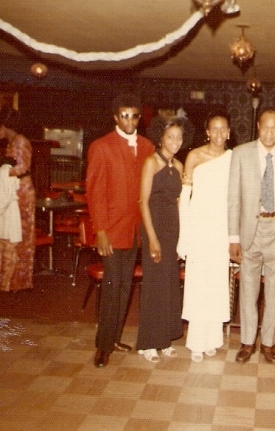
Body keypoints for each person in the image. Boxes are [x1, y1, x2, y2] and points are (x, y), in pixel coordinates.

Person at [228, 107, 275, 365]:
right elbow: (233, 199)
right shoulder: (240, 154)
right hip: (251, 230)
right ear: (258, 126)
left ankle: (268, 344)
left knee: (274, 291)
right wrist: (233, 238)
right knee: (248, 290)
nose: (270, 133)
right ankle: (248, 342)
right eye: (265, 127)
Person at [86, 92, 154, 368]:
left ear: (140, 117)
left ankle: (114, 337)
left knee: (125, 287)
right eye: (123, 115)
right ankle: (103, 345)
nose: (129, 121)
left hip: (136, 230)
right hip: (112, 230)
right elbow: (95, 192)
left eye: (133, 115)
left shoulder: (148, 146)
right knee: (112, 287)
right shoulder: (101, 146)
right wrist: (100, 229)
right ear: (115, 117)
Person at [178, 112, 232, 362]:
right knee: (199, 283)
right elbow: (185, 198)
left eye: (224, 129)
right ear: (207, 132)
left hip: (221, 228)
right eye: (215, 129)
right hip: (199, 226)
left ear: (229, 132)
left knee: (216, 284)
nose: (219, 134)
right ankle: (196, 342)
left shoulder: (233, 159)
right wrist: (184, 234)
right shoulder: (194, 156)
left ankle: (213, 338)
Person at [136, 115, 187, 363]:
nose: (176, 141)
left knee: (168, 284)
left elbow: (181, 203)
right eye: (170, 137)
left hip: (172, 230)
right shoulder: (151, 163)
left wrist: (182, 238)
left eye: (179, 137)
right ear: (160, 138)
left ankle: (164, 339)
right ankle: (148, 343)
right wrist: (152, 239)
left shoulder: (178, 167)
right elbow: (143, 202)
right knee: (155, 285)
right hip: (154, 229)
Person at [0, 107, 36, 292]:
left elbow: (23, 167)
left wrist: (2, 169)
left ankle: (18, 281)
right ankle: (9, 281)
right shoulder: (12, 142)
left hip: (22, 193)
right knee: (11, 233)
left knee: (20, 235)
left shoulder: (20, 141)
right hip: (13, 191)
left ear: (3, 126)